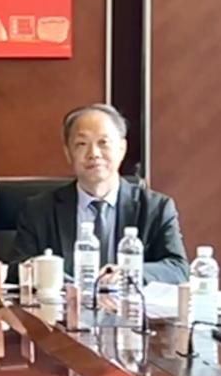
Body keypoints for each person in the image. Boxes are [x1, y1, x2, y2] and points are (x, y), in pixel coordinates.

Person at [10, 104, 188, 285]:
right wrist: (48, 274)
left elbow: (178, 268)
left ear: (122, 148)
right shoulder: (39, 210)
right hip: (66, 302)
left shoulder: (156, 208)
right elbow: (16, 270)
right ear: (68, 153)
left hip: (128, 301)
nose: (94, 154)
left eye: (103, 142)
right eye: (82, 144)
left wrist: (128, 273)